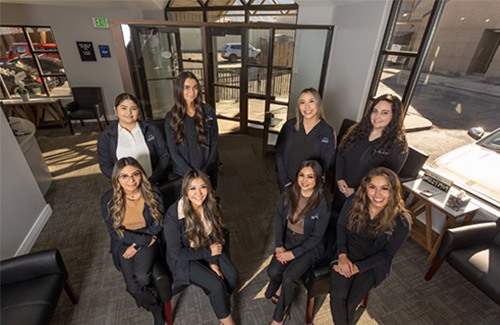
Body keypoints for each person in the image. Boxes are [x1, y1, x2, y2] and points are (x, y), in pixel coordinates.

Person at [329, 167, 411, 325]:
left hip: (373, 264)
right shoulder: (353, 202)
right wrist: (342, 256)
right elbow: (341, 227)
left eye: (384, 189)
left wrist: (358, 267)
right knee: (338, 297)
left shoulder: (402, 222)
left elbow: (386, 255)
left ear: (393, 191)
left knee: (351, 303)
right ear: (366, 188)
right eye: (372, 187)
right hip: (347, 252)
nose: (377, 194)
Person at [164, 170, 237, 325]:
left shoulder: (211, 204)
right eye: (192, 188)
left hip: (207, 247)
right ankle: (227, 321)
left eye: (202, 187)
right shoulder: (173, 215)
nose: (199, 193)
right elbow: (176, 252)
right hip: (185, 259)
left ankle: (221, 303)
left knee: (232, 276)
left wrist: (213, 261)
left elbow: (215, 234)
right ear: (185, 191)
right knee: (216, 285)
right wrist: (209, 252)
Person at [100, 157, 165, 324]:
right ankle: (154, 306)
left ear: (141, 175)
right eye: (124, 176)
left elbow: (159, 223)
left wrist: (137, 245)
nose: (131, 180)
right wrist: (135, 242)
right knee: (132, 288)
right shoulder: (108, 200)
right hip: (123, 239)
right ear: (116, 178)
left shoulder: (153, 192)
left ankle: (151, 302)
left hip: (149, 236)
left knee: (142, 278)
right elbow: (114, 231)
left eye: (135, 174)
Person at [265, 160, 330, 325]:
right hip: (289, 239)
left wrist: (291, 254)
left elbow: (316, 238)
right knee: (273, 271)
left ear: (318, 179)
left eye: (310, 176)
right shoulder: (288, 193)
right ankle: (279, 288)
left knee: (289, 277)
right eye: (301, 175)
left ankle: (278, 317)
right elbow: (279, 218)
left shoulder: (322, 203)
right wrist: (279, 245)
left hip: (311, 246)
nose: (304, 180)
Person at [333, 93, 408, 213]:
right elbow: (341, 153)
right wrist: (339, 178)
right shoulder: (357, 130)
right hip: (342, 188)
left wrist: (357, 191)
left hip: (365, 199)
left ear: (394, 116)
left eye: (384, 112)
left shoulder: (398, 146)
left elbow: (386, 181)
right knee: (334, 221)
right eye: (375, 111)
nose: (377, 116)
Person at [98, 93, 170, 185]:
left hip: (154, 182)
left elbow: (164, 155)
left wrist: (153, 179)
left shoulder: (152, 130)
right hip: (126, 187)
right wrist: (125, 182)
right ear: (115, 111)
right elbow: (105, 165)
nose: (129, 112)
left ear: (138, 111)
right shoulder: (106, 136)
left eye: (133, 108)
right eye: (123, 108)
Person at [164, 71, 219, 189]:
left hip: (207, 170)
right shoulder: (171, 118)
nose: (192, 92)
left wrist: (205, 171)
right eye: (187, 88)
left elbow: (215, 141)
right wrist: (192, 175)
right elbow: (173, 151)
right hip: (184, 174)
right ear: (179, 90)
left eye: (195, 87)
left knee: (208, 203)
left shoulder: (208, 111)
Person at [275, 88, 336, 192]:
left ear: (319, 104)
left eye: (311, 101)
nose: (307, 106)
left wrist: (311, 184)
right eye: (302, 102)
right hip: (287, 183)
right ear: (299, 106)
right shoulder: (289, 126)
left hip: (310, 187)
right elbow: (279, 153)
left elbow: (325, 162)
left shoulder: (327, 131)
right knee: (286, 207)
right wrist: (284, 179)